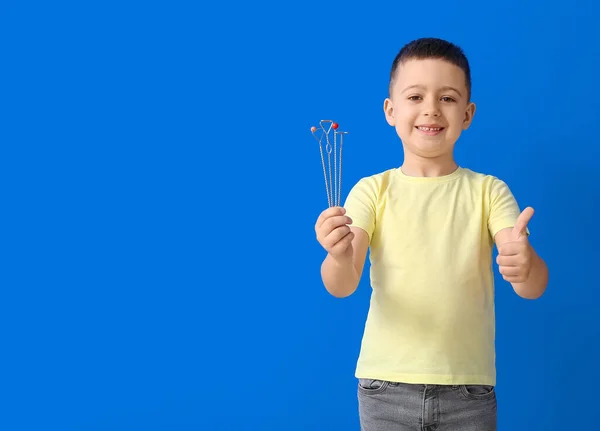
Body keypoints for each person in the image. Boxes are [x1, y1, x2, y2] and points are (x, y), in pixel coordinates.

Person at [314, 37, 549, 431]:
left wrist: (524, 265)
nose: (431, 110)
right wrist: (338, 255)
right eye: (415, 96)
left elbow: (532, 285)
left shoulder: (489, 191)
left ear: (468, 114)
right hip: (384, 387)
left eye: (448, 98)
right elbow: (342, 285)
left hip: (468, 391)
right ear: (390, 110)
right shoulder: (372, 191)